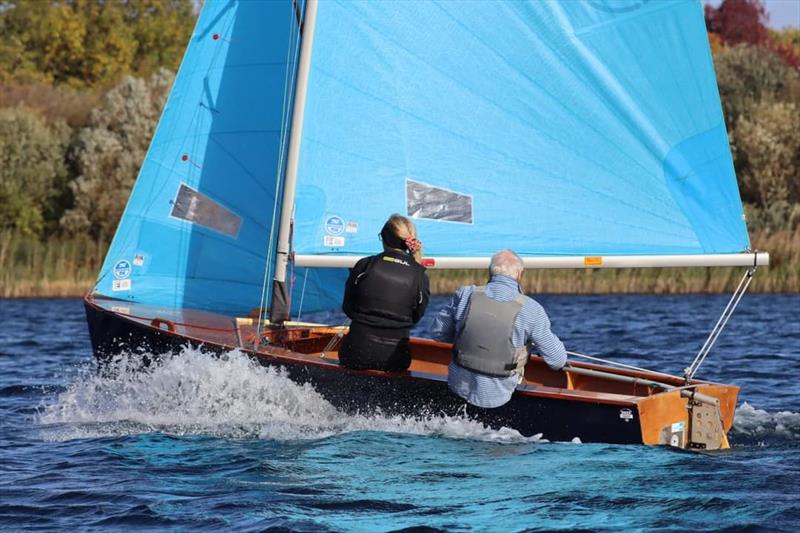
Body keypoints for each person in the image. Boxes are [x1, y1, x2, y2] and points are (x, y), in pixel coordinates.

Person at [431, 249, 567, 408]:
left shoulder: (465, 294)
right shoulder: (532, 309)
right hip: (500, 399)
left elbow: (438, 333)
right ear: (519, 275)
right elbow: (558, 361)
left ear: (490, 273)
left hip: (457, 389)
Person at [339, 214, 430, 371]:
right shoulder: (420, 275)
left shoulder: (364, 266)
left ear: (384, 238)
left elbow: (348, 308)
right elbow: (416, 317)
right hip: (395, 360)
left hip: (355, 353)